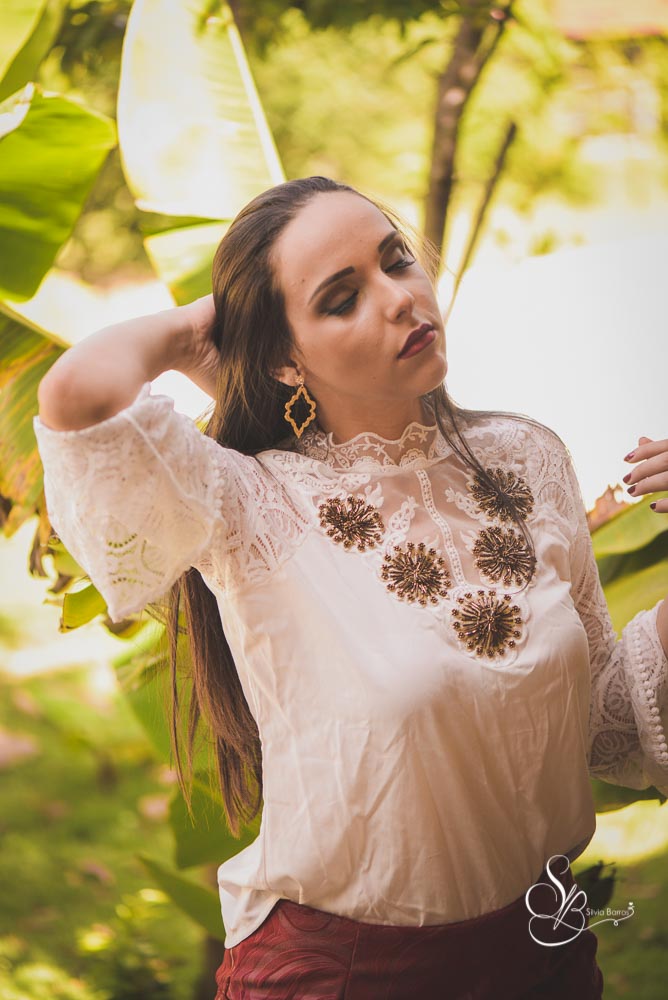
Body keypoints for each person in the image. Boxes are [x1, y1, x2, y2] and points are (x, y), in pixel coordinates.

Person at [34, 176, 668, 999]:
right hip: (347, 974)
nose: (400, 298)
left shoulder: (528, 459)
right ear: (284, 358)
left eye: (396, 261)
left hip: (546, 953)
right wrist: (197, 329)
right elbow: (77, 397)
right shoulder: (253, 505)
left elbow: (603, 719)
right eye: (342, 299)